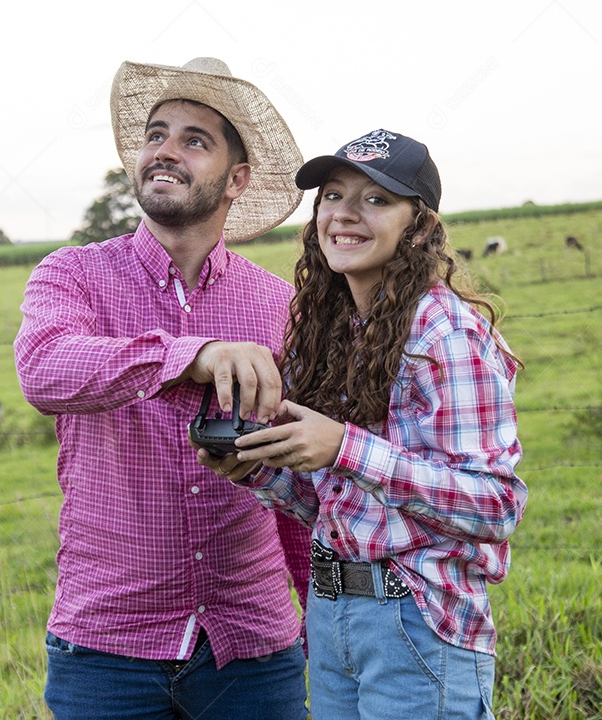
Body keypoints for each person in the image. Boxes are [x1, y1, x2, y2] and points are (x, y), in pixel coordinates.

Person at [14, 57, 311, 720]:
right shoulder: (73, 276)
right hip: (107, 646)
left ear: (237, 179)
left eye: (193, 140)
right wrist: (191, 356)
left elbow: (300, 485)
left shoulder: (278, 305)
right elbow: (44, 367)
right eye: (155, 135)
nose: (165, 151)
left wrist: (315, 614)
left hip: (253, 645)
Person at [203, 129, 528, 719]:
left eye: (376, 200)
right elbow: (334, 505)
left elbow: (496, 507)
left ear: (419, 224)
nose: (345, 214)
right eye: (332, 195)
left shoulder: (444, 334)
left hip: (416, 622)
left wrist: (345, 447)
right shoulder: (331, 332)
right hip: (331, 618)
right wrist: (256, 469)